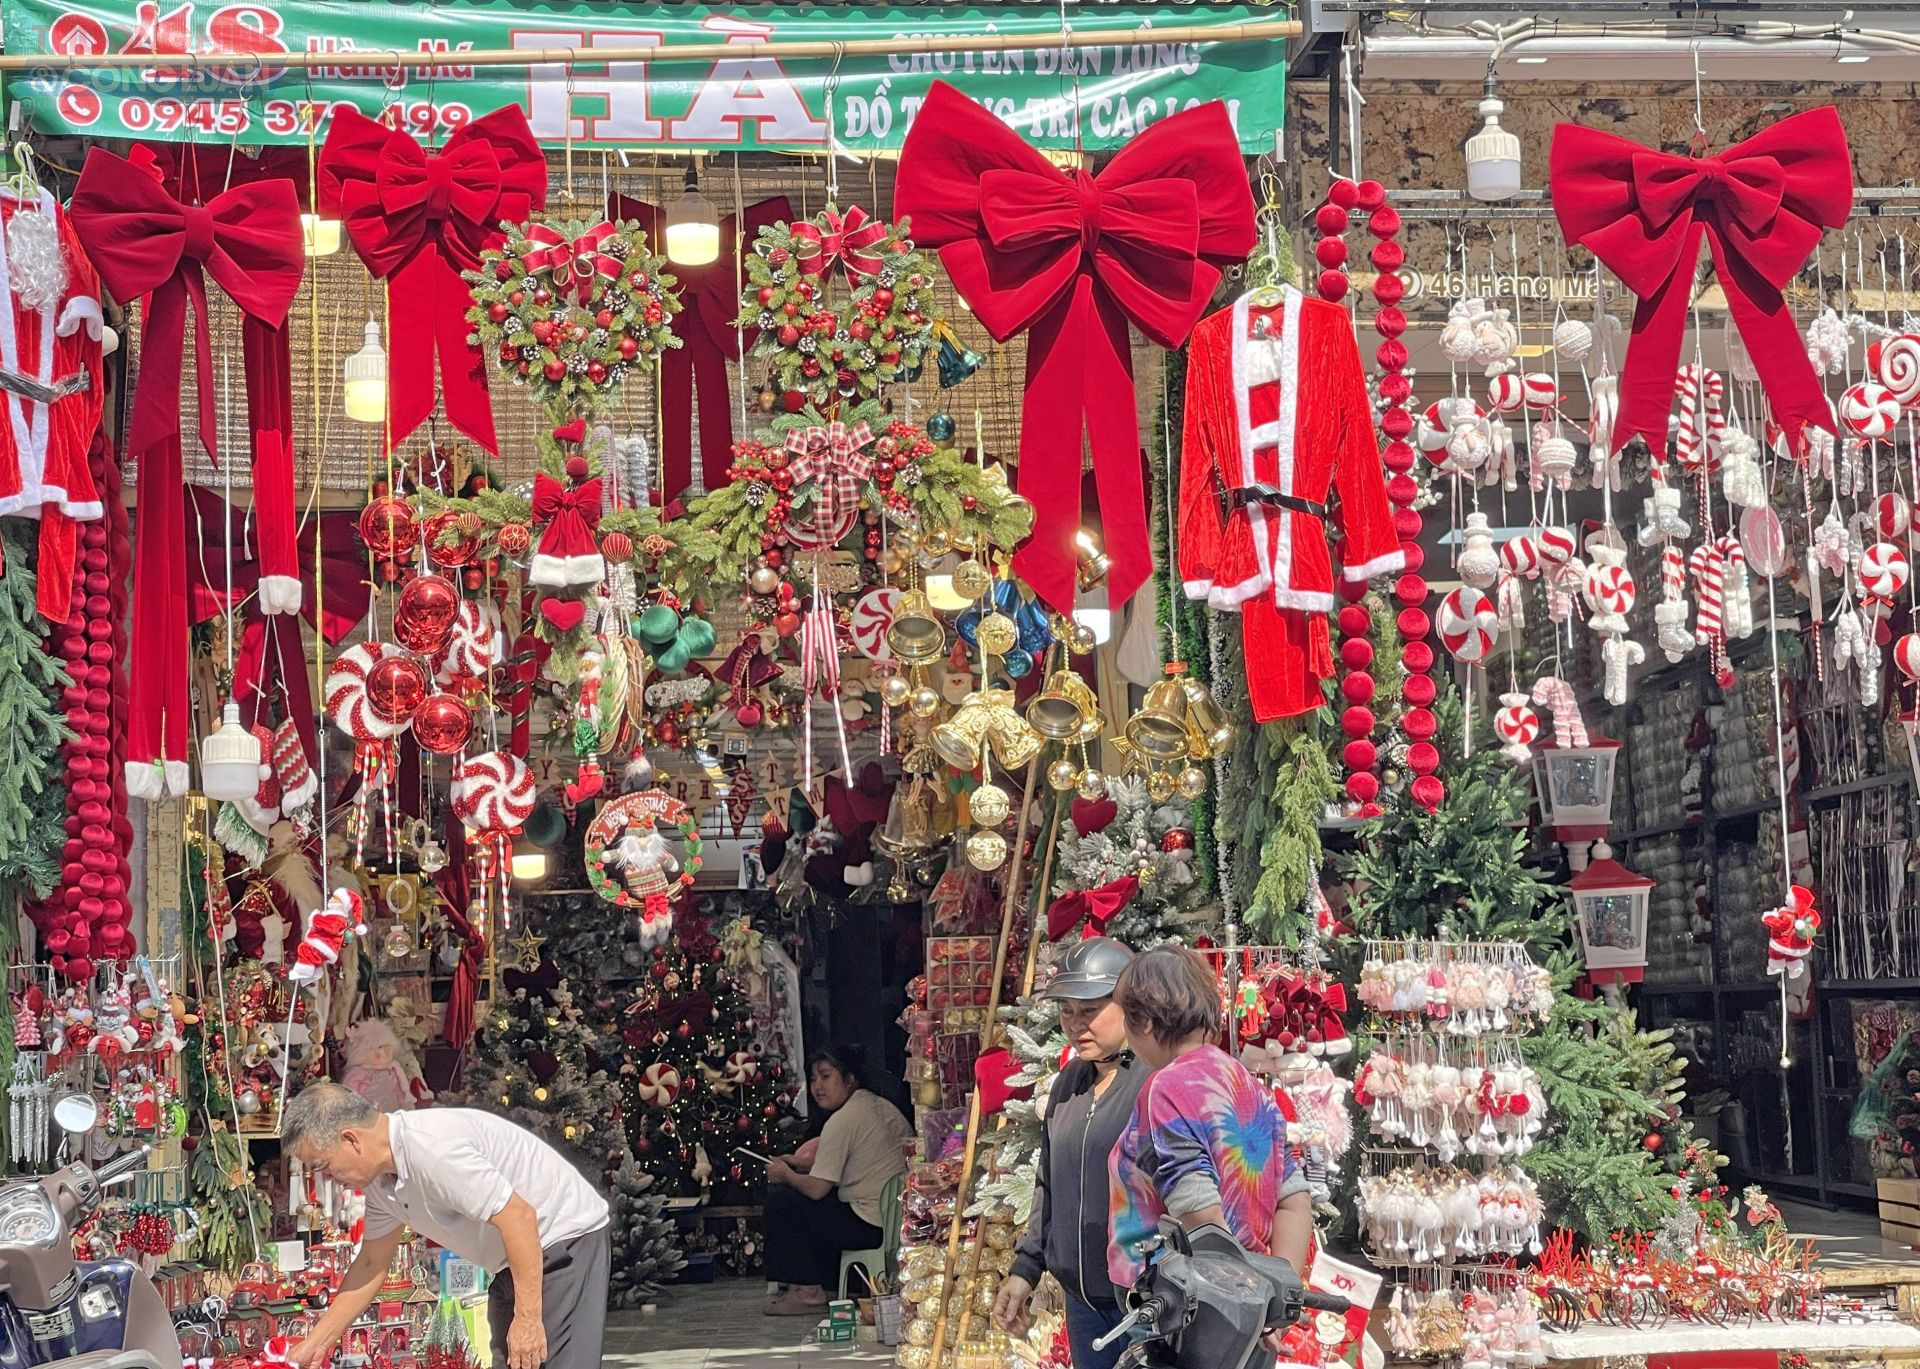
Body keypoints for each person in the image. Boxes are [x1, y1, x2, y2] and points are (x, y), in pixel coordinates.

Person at [280, 1083, 611, 1369]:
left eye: (323, 1165)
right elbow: (371, 1263)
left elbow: (518, 1216)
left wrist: (527, 1318)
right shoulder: (379, 1181)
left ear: (351, 1139)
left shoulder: (430, 1149)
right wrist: (318, 1343)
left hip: (563, 1237)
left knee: (546, 1356)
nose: (325, 1178)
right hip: (512, 1257)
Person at [1107, 945, 1312, 1350]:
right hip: (1246, 1306)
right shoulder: (1246, 1082)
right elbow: (1294, 1197)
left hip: (1183, 1312)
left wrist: (1232, 1298)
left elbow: (1197, 1211)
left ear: (1145, 1021)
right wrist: (1275, 1299)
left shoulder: (1165, 1088)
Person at [992, 938, 1148, 1369]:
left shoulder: (1154, 1085)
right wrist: (1026, 1269)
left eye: (1091, 1011)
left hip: (1144, 1306)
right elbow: (1048, 1182)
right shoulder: (1069, 1084)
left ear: (1129, 1006)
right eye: (1067, 1011)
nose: (1077, 1025)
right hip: (1084, 1305)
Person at [763, 1044, 910, 1315]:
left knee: (783, 1201)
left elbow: (817, 1188)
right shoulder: (878, 1106)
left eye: (826, 1076)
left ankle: (806, 1292)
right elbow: (855, 1161)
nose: (818, 1085)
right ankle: (834, 1284)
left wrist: (785, 1173)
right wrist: (801, 1164)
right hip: (892, 1221)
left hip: (868, 1223)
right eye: (814, 1078)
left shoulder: (843, 1120)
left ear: (849, 1078)